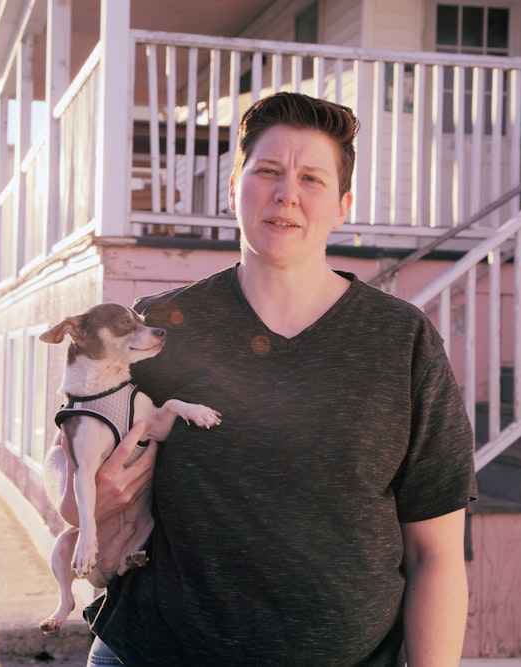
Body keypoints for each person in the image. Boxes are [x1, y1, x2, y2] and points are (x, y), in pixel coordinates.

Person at [57, 91, 477, 666]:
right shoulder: (157, 332)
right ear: (234, 188)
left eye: (312, 178)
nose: (287, 194)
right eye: (269, 172)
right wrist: (96, 503)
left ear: (343, 204)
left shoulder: (402, 342)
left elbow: (436, 554)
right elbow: (80, 488)